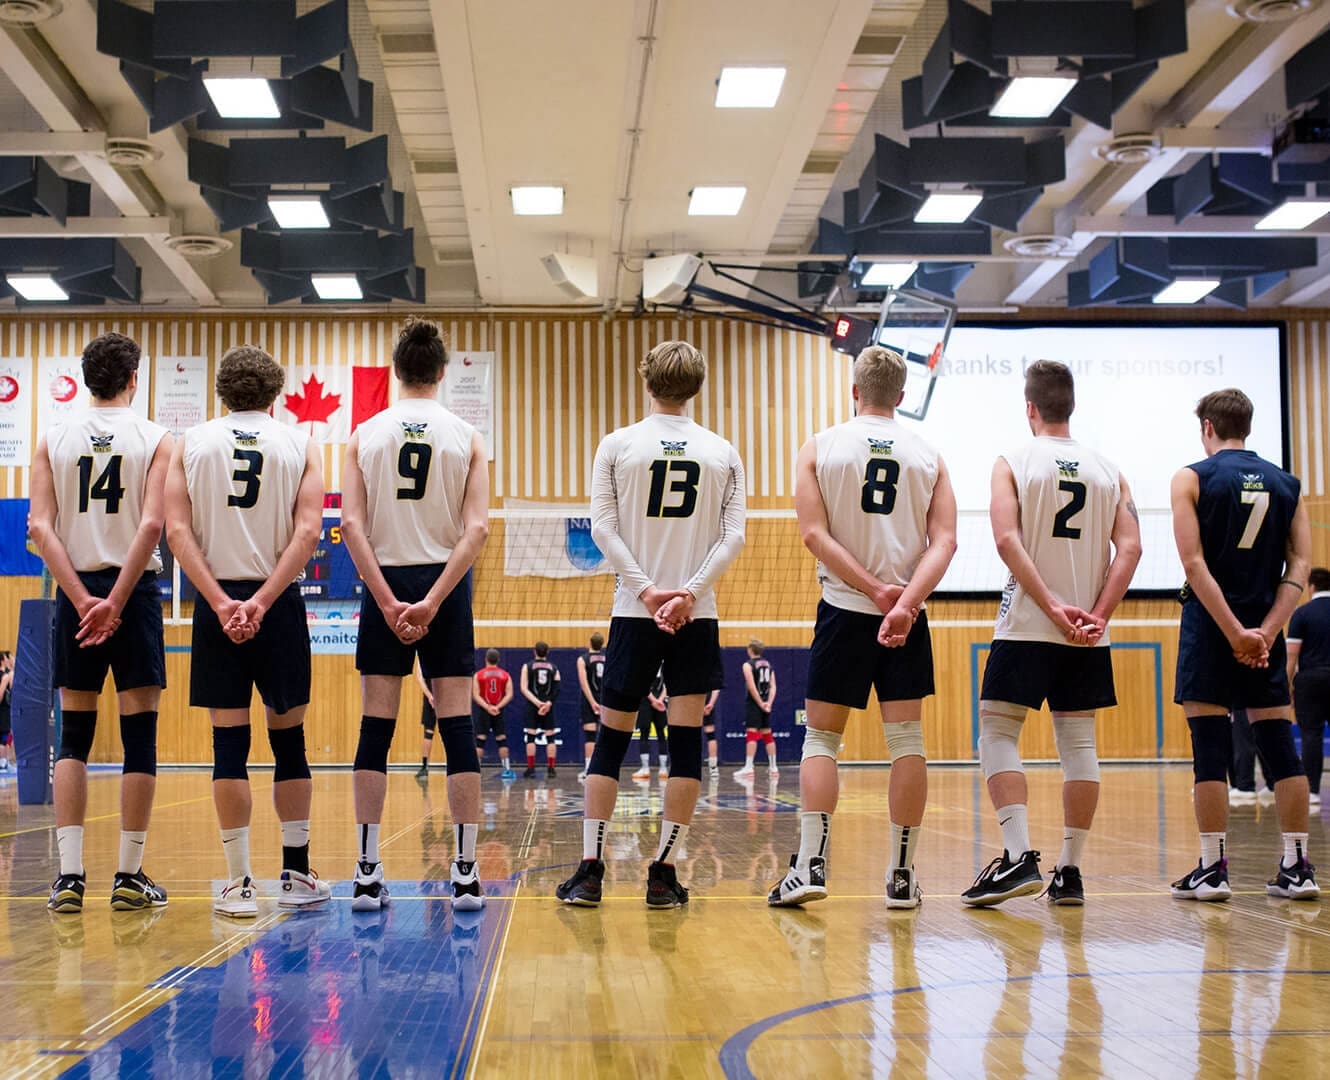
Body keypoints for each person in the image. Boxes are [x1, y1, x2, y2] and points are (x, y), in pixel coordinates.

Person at [557, 339, 746, 908]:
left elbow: (602, 529)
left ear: (646, 381)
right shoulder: (722, 451)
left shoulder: (618, 445)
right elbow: (733, 535)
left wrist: (645, 590)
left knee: (610, 742)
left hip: (634, 613)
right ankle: (663, 874)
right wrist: (687, 594)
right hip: (696, 614)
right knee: (686, 744)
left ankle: (591, 872)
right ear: (697, 386)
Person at [769, 345, 956, 911]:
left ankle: (811, 866)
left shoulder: (821, 447)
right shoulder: (928, 453)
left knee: (822, 738)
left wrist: (874, 593)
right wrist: (904, 603)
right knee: (907, 743)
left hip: (846, 607)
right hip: (909, 614)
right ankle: (902, 877)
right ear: (901, 397)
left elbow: (813, 535)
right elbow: (945, 541)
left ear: (854, 390)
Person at [962, 360, 1141, 908]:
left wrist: (1051, 606)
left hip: (1027, 625)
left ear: (1030, 408)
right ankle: (1069, 872)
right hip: (1087, 631)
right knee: (1079, 746)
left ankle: (1018, 858)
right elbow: (1130, 547)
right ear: (1072, 406)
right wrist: (1097, 614)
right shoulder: (1109, 469)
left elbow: (1007, 541)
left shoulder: (1012, 461)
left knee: (996, 734)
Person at [165, 344, 328, 919]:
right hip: (276, 603)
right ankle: (294, 872)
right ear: (276, 392)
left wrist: (221, 604)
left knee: (227, 748)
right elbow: (308, 533)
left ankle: (237, 885)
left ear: (221, 391)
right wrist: (261, 602)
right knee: (290, 744)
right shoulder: (300, 445)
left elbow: (176, 532)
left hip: (217, 605)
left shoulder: (191, 444)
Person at [340, 319, 490, 913]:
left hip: (385, 581)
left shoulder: (364, 435)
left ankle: (367, 873)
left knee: (375, 728)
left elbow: (350, 525)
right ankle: (465, 874)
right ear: (443, 371)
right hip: (445, 584)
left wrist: (386, 600)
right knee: (458, 727)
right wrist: (433, 601)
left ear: (397, 371)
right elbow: (476, 528)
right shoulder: (467, 436)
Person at [29, 332, 172, 914]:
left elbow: (40, 528)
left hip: (77, 595)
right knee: (140, 737)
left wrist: (84, 600)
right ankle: (129, 877)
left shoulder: (52, 437)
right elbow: (152, 527)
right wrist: (114, 601)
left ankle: (68, 879)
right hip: (130, 595)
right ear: (134, 379)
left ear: (86, 379)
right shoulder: (156, 438)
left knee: (74, 739)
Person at [1170, 387, 1317, 901]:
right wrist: (1267, 631)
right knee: (1279, 745)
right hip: (1265, 629)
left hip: (1212, 629)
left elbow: (1194, 565)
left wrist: (1233, 632)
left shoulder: (1191, 477)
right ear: (1247, 426)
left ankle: (1213, 869)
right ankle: (1297, 866)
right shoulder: (1287, 484)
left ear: (1207, 426)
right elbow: (1299, 565)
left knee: (1209, 749)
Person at [1287, 567, 1330, 807]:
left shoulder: (1302, 614)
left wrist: (1286, 685)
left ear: (1311, 586)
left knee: (1311, 735)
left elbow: (1292, 655)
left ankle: (1312, 791)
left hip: (1310, 681)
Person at [734, 640, 777, 780]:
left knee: (752, 734)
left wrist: (760, 703)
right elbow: (773, 686)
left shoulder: (747, 665)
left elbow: (752, 686)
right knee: (767, 734)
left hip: (754, 703)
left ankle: (748, 767)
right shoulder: (768, 664)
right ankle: (773, 767)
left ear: (750, 650)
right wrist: (768, 703)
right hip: (766, 703)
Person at [520, 642, 561, 778]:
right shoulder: (554, 668)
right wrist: (547, 703)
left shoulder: (527, 666)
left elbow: (523, 688)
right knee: (550, 738)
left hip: (533, 705)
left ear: (534, 651)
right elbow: (557, 689)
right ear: (547, 652)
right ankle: (551, 769)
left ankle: (531, 768)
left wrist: (537, 703)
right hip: (548, 706)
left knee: (531, 737)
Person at [473, 649, 515, 778]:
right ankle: (507, 770)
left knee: (480, 740)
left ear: (486, 659)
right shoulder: (505, 675)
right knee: (501, 739)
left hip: (483, 710)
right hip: (498, 710)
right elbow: (509, 694)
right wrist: (497, 707)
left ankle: (475, 770)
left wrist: (487, 707)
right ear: (498, 660)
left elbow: (475, 694)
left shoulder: (478, 675)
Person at [576, 632, 607, 780]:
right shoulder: (607, 659)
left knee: (590, 736)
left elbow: (584, 683)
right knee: (604, 736)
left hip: (590, 702)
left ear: (590, 642)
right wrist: (603, 702)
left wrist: (593, 702)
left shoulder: (583, 659)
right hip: (605, 701)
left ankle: (589, 770)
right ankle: (602, 769)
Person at [632, 665, 668, 781]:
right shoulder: (664, 663)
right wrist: (659, 700)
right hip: (652, 701)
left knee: (648, 734)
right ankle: (660, 769)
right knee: (657, 733)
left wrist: (656, 700)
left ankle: (650, 768)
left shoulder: (646, 661)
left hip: (649, 701)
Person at [415, 660, 437, 779]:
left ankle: (424, 768)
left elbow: (419, 677)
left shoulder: (421, 654)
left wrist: (429, 695)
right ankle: (457, 766)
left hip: (431, 698)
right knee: (451, 732)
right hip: (445, 695)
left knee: (428, 732)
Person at [702, 689, 720, 780]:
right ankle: (713, 768)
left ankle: (713, 767)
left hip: (694, 699)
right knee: (710, 734)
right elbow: (716, 688)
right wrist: (711, 703)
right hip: (705, 698)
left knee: (709, 733)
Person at [0, 651, 12, 772]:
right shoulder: (5, 676)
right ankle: (3, 763)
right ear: (3, 660)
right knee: (3, 736)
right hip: (3, 709)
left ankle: (4, 761)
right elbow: (1, 693)